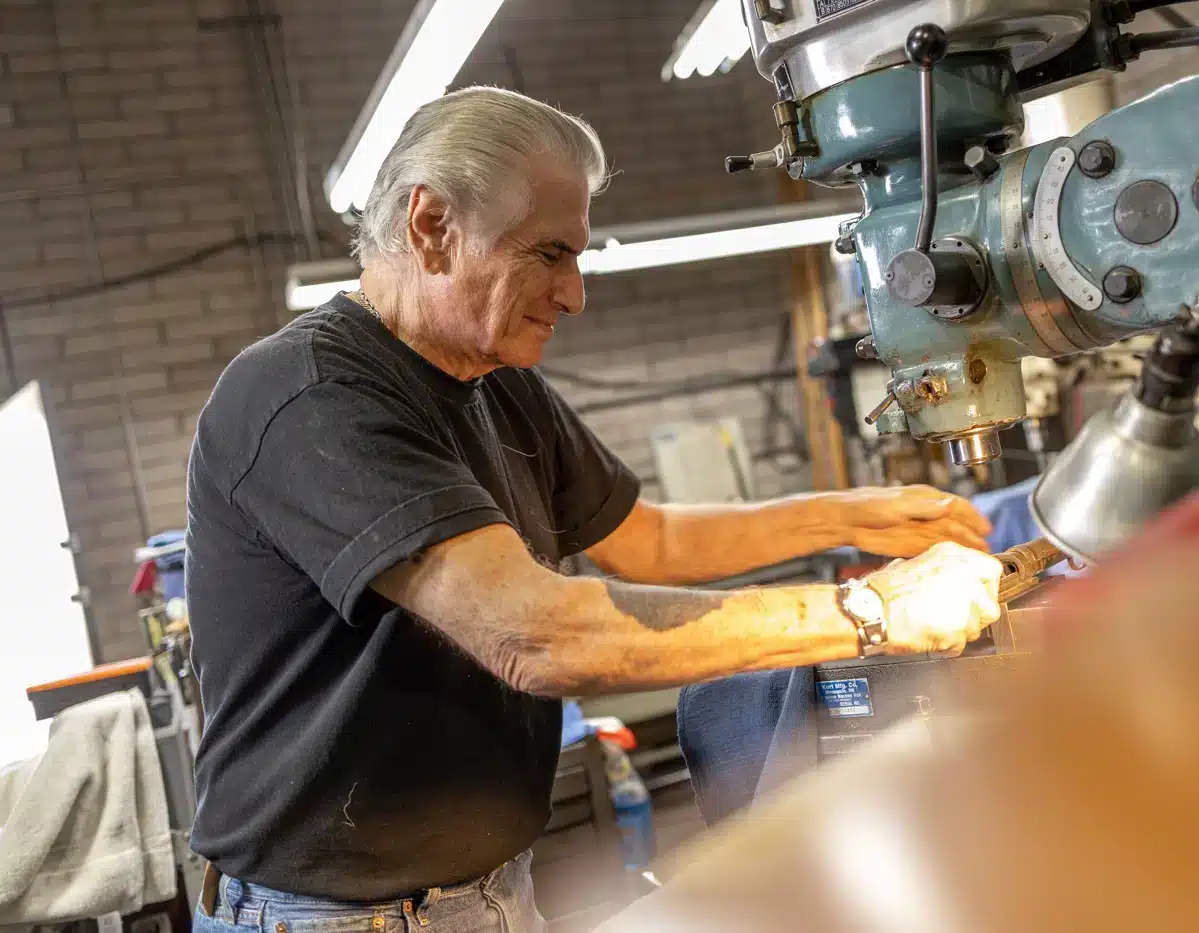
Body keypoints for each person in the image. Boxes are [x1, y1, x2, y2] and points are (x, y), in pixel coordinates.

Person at [184, 87, 1005, 932]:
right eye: (548, 254)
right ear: (430, 225)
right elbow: (537, 635)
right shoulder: (310, 395)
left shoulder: (494, 382)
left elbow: (647, 541)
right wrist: (870, 612)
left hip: (490, 891)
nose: (573, 294)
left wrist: (851, 514)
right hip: (329, 917)